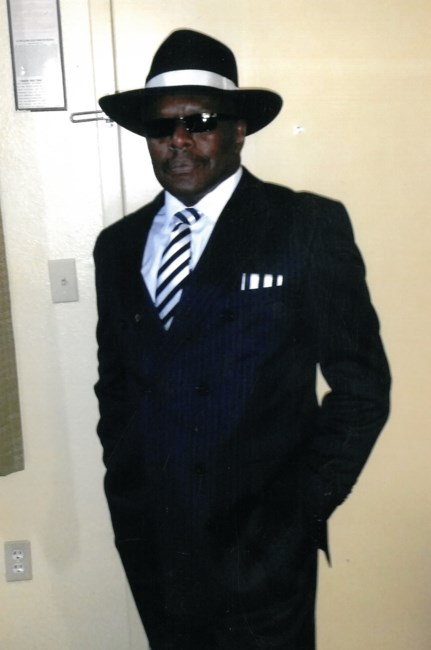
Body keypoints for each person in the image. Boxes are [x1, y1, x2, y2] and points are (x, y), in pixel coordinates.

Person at [94, 28, 390, 650]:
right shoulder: (115, 248)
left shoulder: (304, 226)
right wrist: (127, 487)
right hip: (156, 545)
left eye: (199, 121)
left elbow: (363, 386)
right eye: (161, 126)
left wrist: (303, 505)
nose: (179, 140)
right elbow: (115, 387)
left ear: (238, 129)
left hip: (264, 553)